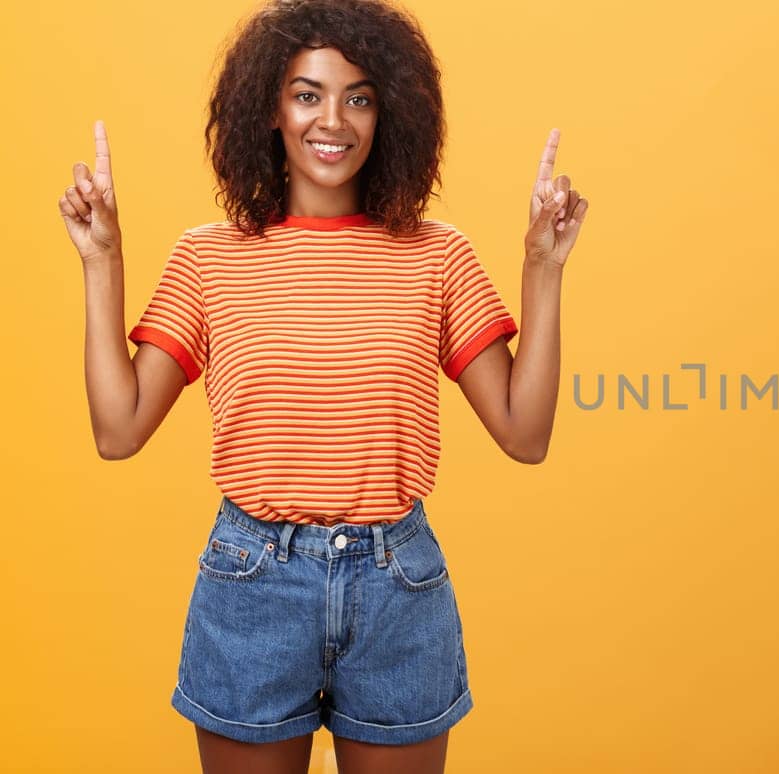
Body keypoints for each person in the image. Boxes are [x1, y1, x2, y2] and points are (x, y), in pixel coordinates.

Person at [60, 0, 589, 770]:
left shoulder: (437, 258)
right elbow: (118, 431)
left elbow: (525, 434)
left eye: (359, 96)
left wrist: (544, 266)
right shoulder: (210, 259)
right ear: (269, 109)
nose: (332, 119)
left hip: (397, 589)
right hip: (252, 583)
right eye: (307, 93)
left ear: (388, 114)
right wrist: (102, 258)